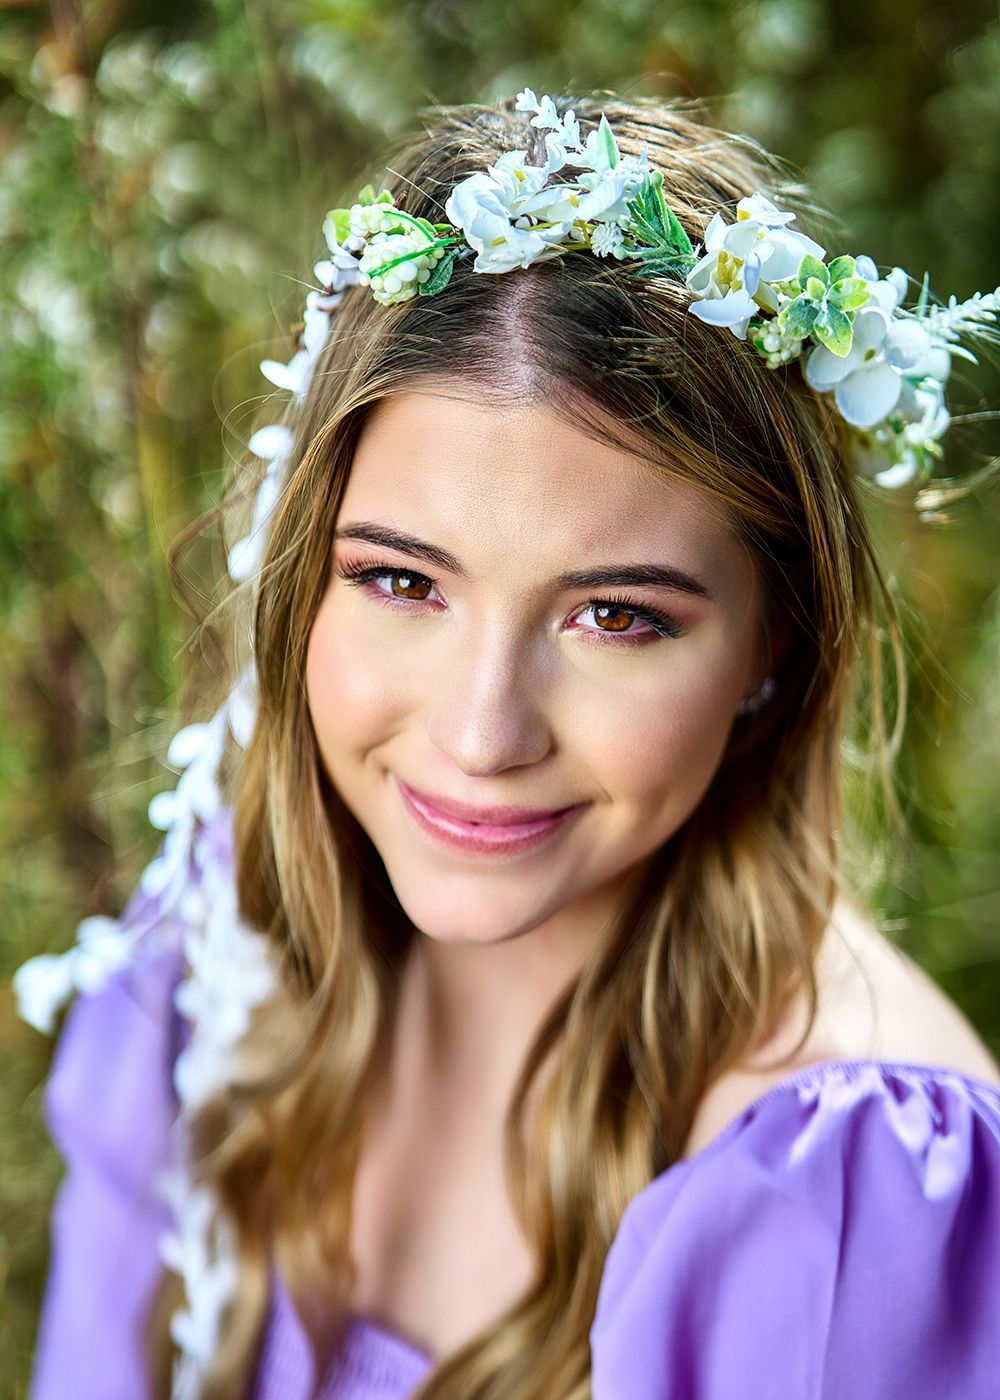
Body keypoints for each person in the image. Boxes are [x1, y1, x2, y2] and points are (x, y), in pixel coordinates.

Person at [14, 87, 1000, 1400]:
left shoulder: (845, 1192)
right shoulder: (217, 950)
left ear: (775, 643)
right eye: (403, 583)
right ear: (305, 573)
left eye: (614, 615)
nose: (483, 735)